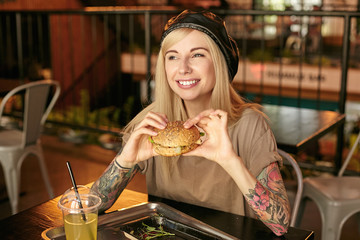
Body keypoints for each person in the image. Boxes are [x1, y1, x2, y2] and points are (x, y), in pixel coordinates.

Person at [91, 10, 291, 236]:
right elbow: (91, 209)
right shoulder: (152, 124)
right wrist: (126, 160)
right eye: (173, 56)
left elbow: (280, 224)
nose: (183, 68)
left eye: (197, 55)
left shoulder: (250, 125)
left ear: (220, 63)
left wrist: (230, 161)